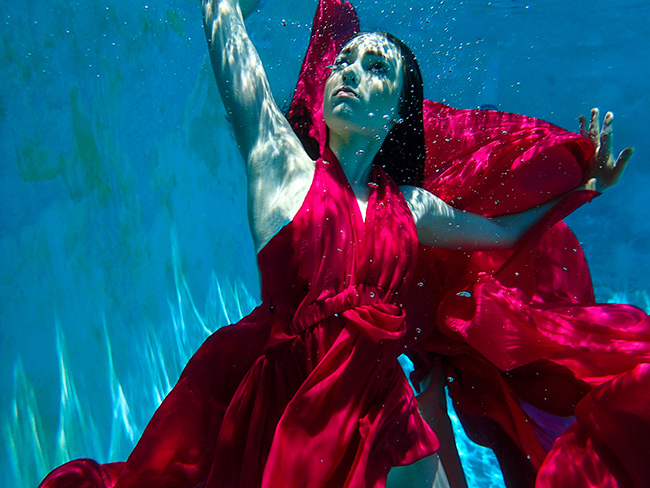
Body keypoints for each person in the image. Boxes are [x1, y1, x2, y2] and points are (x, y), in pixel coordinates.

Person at [39, 0, 647, 487]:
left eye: (376, 67)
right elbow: (221, 24)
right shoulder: (281, 166)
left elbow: (501, 233)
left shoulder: (408, 206)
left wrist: (583, 185)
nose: (351, 72)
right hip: (291, 402)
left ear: (397, 117)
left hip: (385, 404)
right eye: (345, 62)